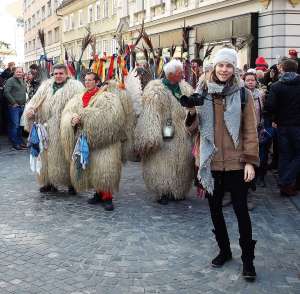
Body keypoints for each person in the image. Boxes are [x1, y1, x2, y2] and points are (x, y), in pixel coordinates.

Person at [180, 47, 259, 280]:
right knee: (215, 211)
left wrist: (250, 162)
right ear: (214, 66)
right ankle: (224, 251)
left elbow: (250, 131)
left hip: (237, 163)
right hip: (210, 162)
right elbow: (191, 130)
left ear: (234, 68)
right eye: (220, 65)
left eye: (228, 66)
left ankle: (248, 260)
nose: (224, 70)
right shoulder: (202, 91)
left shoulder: (242, 93)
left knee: (241, 211)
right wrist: (192, 112)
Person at [61, 72, 135, 211]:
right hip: (86, 141)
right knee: (93, 169)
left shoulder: (108, 97)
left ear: (96, 82)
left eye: (90, 80)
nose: (87, 82)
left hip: (105, 143)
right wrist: (72, 119)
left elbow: (111, 117)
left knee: (105, 169)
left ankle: (107, 197)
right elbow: (68, 113)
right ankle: (98, 194)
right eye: (85, 80)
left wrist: (82, 116)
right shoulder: (78, 98)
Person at [135, 59, 194, 205]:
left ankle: (178, 190)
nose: (182, 75)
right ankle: (163, 191)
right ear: (171, 74)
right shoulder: (156, 90)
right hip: (165, 130)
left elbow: (193, 108)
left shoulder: (185, 88)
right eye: (180, 72)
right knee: (163, 162)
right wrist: (150, 136)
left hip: (184, 132)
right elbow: (150, 113)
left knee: (182, 162)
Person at [24, 64, 84, 194]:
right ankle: (49, 181)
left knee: (67, 155)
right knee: (46, 156)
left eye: (61, 73)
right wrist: (30, 111)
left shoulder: (75, 87)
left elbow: (80, 105)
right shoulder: (46, 86)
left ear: (66, 74)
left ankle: (72, 183)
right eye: (56, 73)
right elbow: (35, 101)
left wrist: (73, 119)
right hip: (46, 128)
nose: (58, 76)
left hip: (65, 128)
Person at [264, 58, 300, 197]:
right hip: (297, 126)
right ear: (296, 70)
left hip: (282, 125)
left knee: (285, 155)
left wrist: (274, 119)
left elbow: (270, 107)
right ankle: (286, 182)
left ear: (282, 70)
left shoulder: (276, 86)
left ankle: (285, 184)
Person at [3, 67, 27, 150]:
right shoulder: (10, 80)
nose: (19, 73)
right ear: (14, 72)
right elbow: (6, 92)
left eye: (20, 72)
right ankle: (15, 143)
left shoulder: (23, 80)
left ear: (22, 73)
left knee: (20, 126)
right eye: (17, 72)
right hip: (14, 107)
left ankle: (20, 142)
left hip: (22, 106)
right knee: (15, 125)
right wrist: (13, 102)